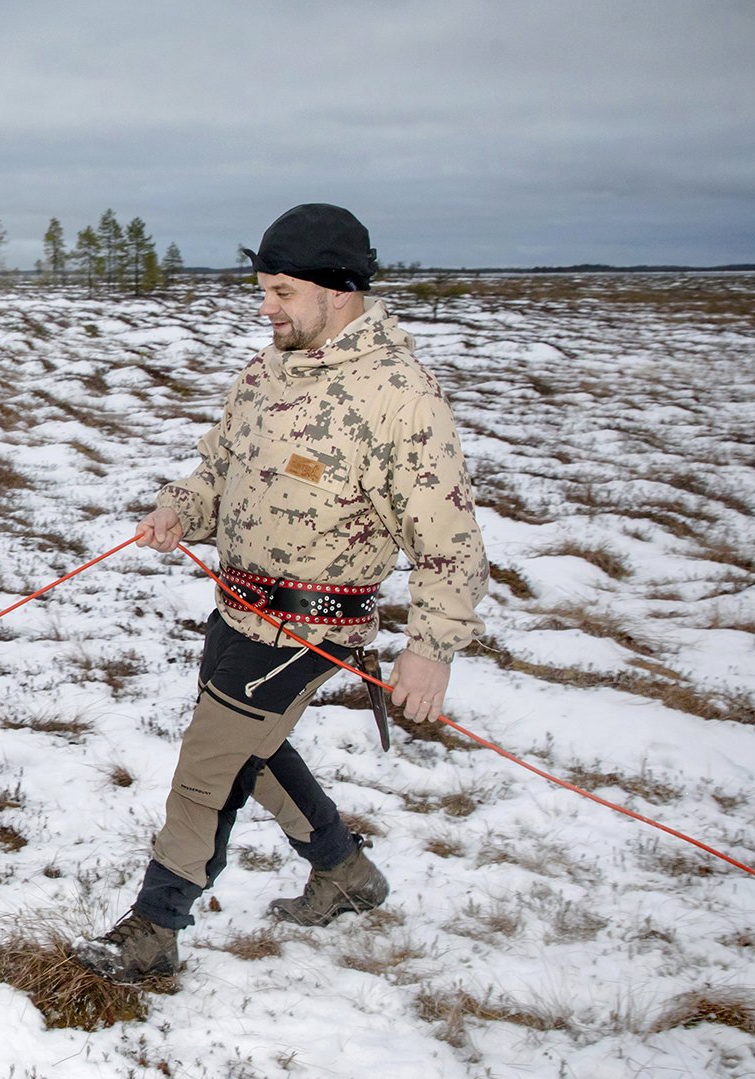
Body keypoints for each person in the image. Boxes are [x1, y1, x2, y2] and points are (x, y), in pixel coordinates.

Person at [75, 203, 488, 985]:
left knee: (208, 764)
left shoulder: (400, 396)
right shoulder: (266, 372)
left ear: (340, 292)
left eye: (283, 292)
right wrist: (181, 508)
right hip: (237, 608)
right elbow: (218, 469)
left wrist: (430, 651)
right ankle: (342, 871)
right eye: (263, 289)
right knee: (250, 751)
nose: (266, 308)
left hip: (310, 627)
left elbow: (449, 543)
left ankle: (154, 930)